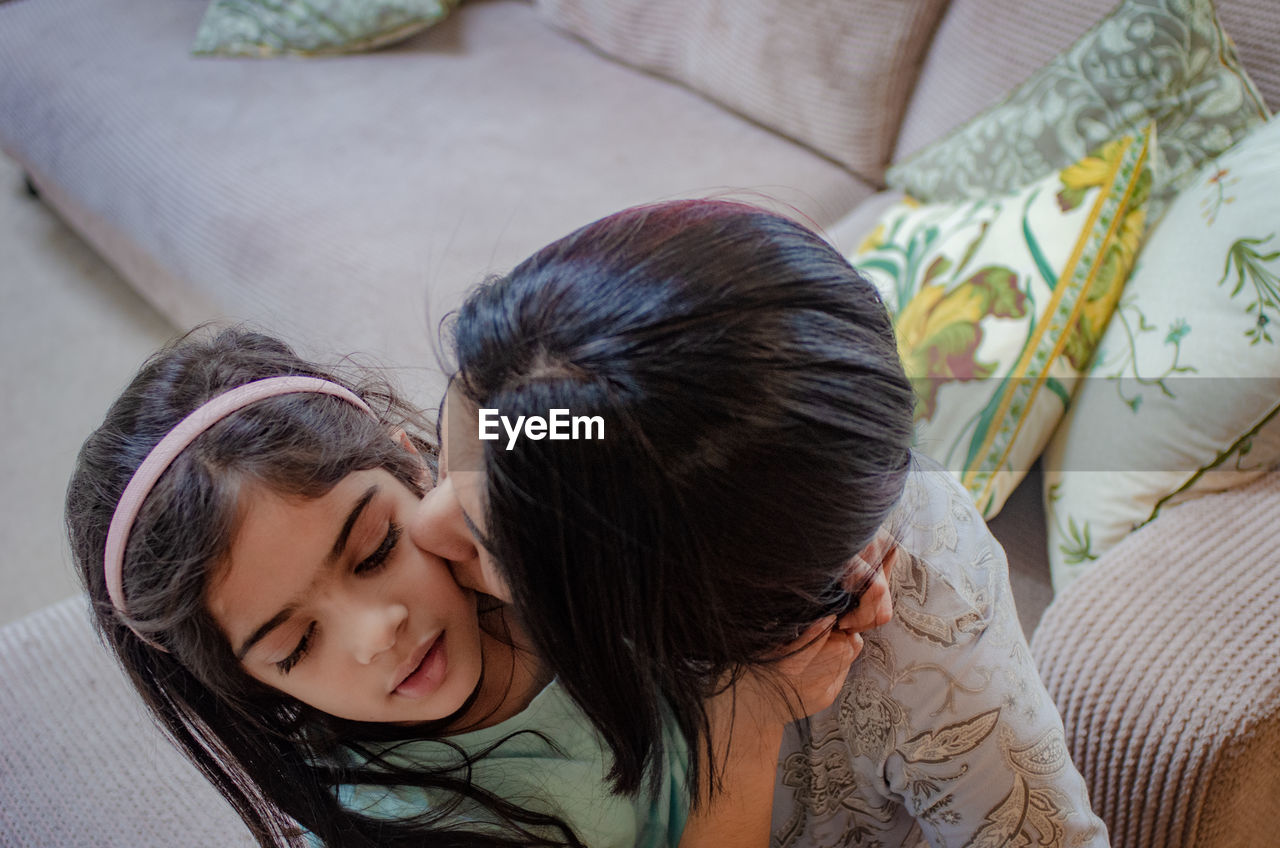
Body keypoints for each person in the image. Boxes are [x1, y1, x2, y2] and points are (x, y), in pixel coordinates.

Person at [411, 199, 1110, 846]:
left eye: (485, 540)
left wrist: (743, 734)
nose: (420, 528)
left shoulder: (928, 634)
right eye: (454, 440)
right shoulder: (543, 446)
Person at [65, 326, 868, 848]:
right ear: (242, 683)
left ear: (414, 462)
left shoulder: (507, 503)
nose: (377, 631)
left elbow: (654, 424)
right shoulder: (393, 824)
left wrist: (813, 555)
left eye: (376, 550)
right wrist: (751, 720)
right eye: (296, 644)